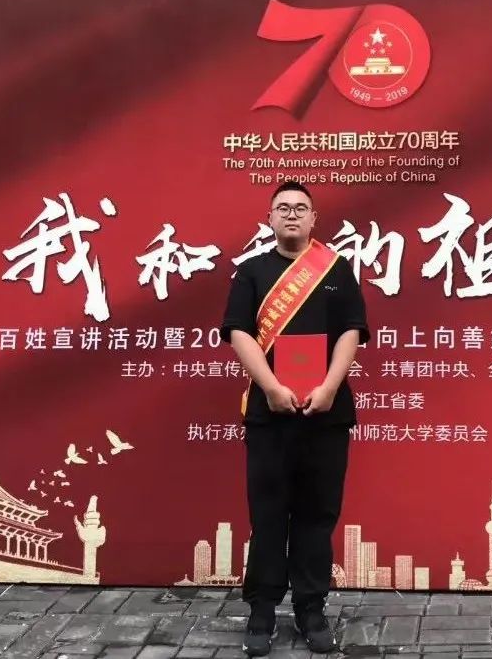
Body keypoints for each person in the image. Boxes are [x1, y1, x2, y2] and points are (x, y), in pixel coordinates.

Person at [221, 180, 369, 657]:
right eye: (282, 207)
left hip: (326, 413)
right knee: (267, 515)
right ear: (269, 218)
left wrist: (328, 388)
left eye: (300, 208)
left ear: (313, 219)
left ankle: (311, 608)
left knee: (317, 515)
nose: (291, 214)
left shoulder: (337, 270)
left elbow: (352, 331)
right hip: (270, 414)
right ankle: (262, 610)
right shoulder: (251, 272)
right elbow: (239, 333)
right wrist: (270, 387)